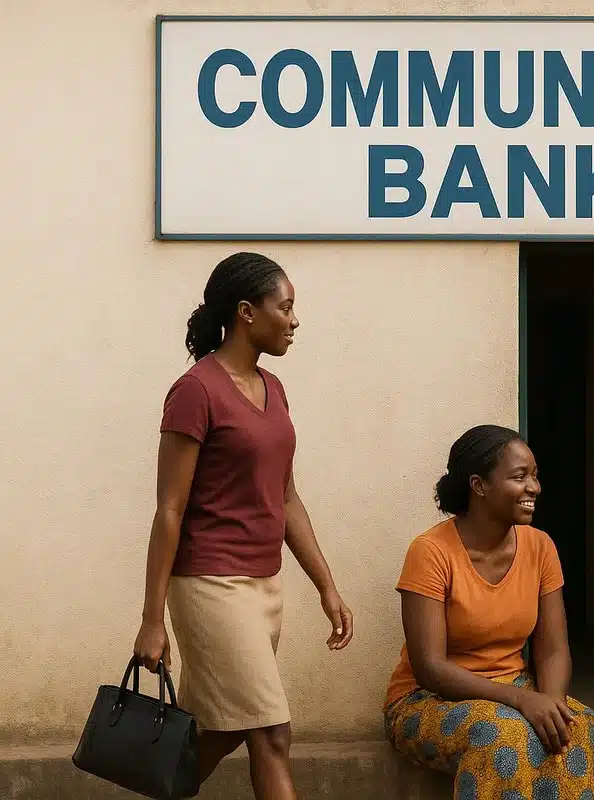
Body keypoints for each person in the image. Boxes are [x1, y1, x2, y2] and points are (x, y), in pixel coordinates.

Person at [132, 252, 355, 800]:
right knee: (271, 731)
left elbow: (286, 495)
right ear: (246, 312)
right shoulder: (196, 391)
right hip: (210, 585)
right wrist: (151, 620)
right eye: (286, 307)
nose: (295, 320)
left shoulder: (272, 388)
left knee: (224, 728)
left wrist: (326, 584)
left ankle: (160, 788)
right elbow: (169, 510)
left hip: (263, 586)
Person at [384, 424, 594, 800]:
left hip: (515, 688)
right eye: (520, 477)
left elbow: (553, 650)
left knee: (582, 730)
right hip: (426, 699)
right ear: (479, 486)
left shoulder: (540, 547)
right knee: (504, 736)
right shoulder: (430, 552)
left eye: (535, 476)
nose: (534, 488)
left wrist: (551, 706)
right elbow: (430, 668)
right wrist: (522, 701)